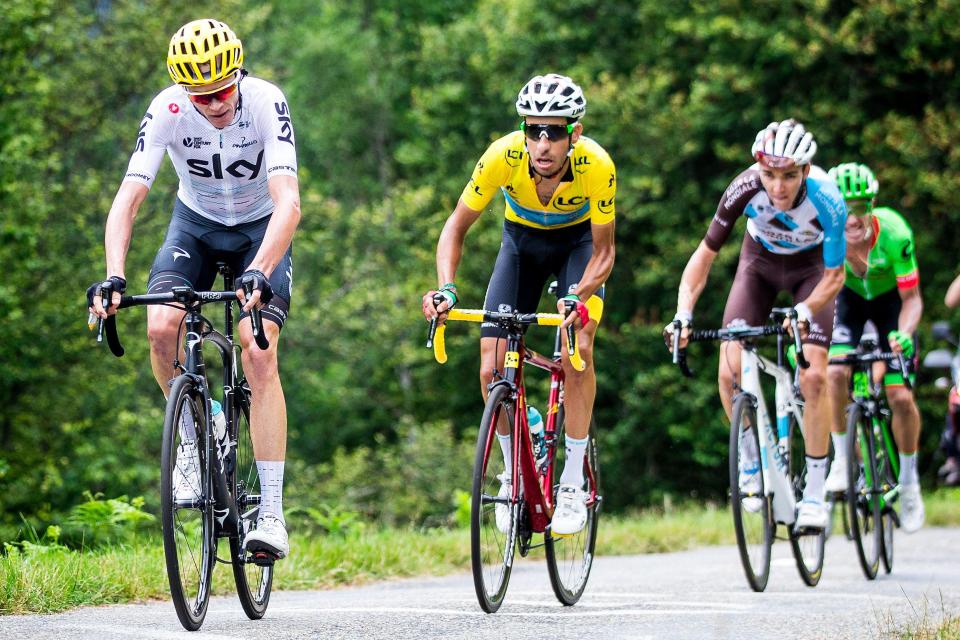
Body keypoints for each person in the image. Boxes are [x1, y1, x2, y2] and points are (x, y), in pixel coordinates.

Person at [87, 19, 300, 558]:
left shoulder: (264, 101)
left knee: (258, 351)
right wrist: (114, 274)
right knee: (160, 326)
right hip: (196, 224)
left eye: (224, 88)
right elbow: (127, 199)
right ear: (185, 90)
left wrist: (262, 266)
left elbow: (290, 202)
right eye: (203, 94)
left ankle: (271, 514)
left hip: (260, 227)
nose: (217, 101)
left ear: (238, 74)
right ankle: (192, 440)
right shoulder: (168, 109)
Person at [420, 74, 616, 535]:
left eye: (554, 131)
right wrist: (447, 289)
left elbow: (605, 254)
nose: (542, 143)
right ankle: (512, 476)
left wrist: (578, 296)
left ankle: (571, 481)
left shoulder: (596, 166)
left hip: (579, 247)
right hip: (521, 247)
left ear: (575, 134)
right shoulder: (502, 156)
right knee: (490, 369)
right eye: (533, 130)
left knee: (579, 349)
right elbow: (455, 228)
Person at [665, 119, 847, 530]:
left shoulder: (827, 198)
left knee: (815, 377)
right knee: (729, 369)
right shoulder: (744, 188)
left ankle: (815, 491)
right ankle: (750, 461)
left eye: (788, 176)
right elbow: (705, 256)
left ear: (805, 170)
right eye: (769, 175)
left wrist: (805, 310)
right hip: (759, 266)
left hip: (813, 272)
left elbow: (836, 277)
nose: (778, 187)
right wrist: (683, 314)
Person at [823, 162, 925, 531]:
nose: (852, 218)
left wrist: (904, 333)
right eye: (844, 208)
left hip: (891, 309)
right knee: (835, 373)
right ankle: (840, 459)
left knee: (900, 396)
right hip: (848, 305)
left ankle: (910, 481)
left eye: (861, 206)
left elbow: (912, 299)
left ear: (873, 204)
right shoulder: (824, 233)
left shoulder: (895, 232)